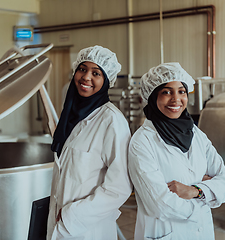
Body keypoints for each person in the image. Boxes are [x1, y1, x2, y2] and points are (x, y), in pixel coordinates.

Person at [128, 62, 225, 240]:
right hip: (166, 232)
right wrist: (207, 198)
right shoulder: (142, 141)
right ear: (153, 96)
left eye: (181, 91)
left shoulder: (196, 133)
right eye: (166, 92)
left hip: (202, 233)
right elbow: (160, 205)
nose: (176, 99)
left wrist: (195, 191)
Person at [47, 45, 132, 240]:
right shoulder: (71, 116)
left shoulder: (111, 120)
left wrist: (72, 215)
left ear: (106, 81)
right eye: (82, 69)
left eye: (96, 73)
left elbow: (120, 186)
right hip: (60, 223)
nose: (86, 77)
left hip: (88, 227)